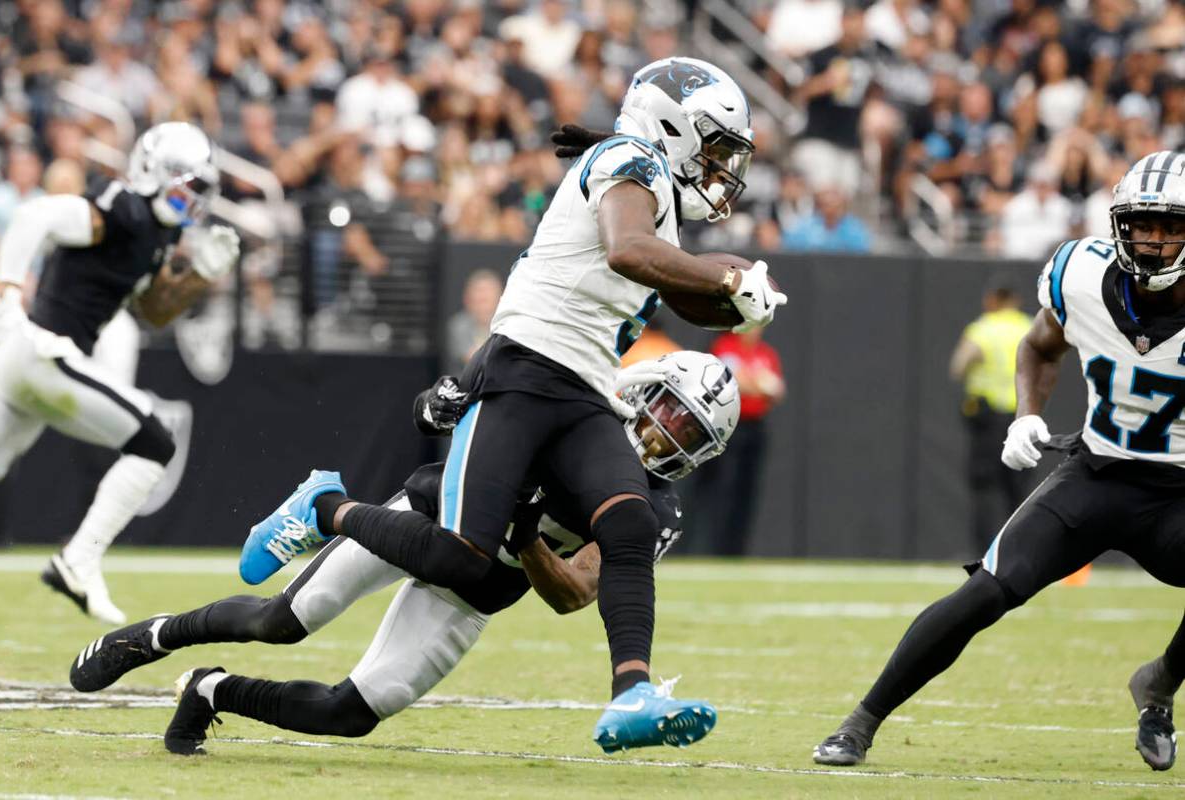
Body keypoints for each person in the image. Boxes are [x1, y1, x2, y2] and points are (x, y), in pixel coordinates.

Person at [238, 57, 785, 753]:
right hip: (528, 369)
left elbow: (676, 291)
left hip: (584, 388)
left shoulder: (658, 204)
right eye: (711, 146)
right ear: (672, 125)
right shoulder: (630, 160)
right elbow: (628, 253)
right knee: (462, 558)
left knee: (629, 526)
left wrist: (731, 301)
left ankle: (632, 694)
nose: (717, 166)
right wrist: (726, 273)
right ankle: (322, 509)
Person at [67, 352, 740, 757]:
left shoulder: (656, 509)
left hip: (479, 591)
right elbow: (438, 410)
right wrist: (446, 402)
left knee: (350, 714)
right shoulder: (579, 411)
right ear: (645, 389)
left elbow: (573, 594)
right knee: (281, 620)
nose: (665, 435)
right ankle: (148, 638)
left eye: (689, 432)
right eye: (671, 412)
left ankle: (212, 691)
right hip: (427, 520)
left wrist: (526, 532)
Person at [813, 150, 1185, 770]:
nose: (1153, 240)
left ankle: (1160, 685)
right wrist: (1026, 414)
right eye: (1143, 223)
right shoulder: (1080, 275)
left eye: (1171, 225)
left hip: (1178, 491)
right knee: (984, 593)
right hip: (1096, 475)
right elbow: (1040, 346)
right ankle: (860, 723)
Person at [0, 122, 239, 625]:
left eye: (196, 190)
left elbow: (151, 310)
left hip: (32, 367)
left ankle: (78, 561)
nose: (188, 198)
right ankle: (78, 560)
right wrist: (11, 294)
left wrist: (198, 278)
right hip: (45, 353)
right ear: (154, 171)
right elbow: (36, 214)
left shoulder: (155, 230)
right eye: (183, 184)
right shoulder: (121, 209)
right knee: (155, 441)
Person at [948, 282, 1033, 552]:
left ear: (993, 299)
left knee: (985, 488)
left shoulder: (984, 329)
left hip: (989, 419)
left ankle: (986, 553)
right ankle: (1023, 549)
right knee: (1019, 490)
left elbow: (959, 366)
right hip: (1023, 416)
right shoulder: (1029, 326)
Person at [697, 326, 785, 555]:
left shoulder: (765, 353)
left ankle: (736, 551)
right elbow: (733, 381)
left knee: (747, 492)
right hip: (729, 429)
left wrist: (756, 384)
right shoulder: (726, 346)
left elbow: (777, 389)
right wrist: (759, 384)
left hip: (755, 427)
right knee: (722, 489)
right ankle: (715, 549)